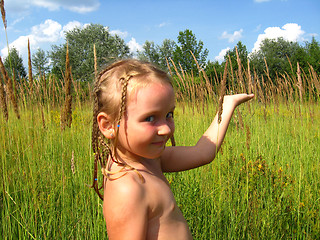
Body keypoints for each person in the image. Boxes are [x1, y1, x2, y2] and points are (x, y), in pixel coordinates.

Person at [91, 59, 254, 240]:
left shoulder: (150, 159)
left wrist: (227, 105)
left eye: (169, 115)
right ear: (108, 125)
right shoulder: (127, 188)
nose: (166, 129)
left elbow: (203, 153)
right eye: (150, 118)